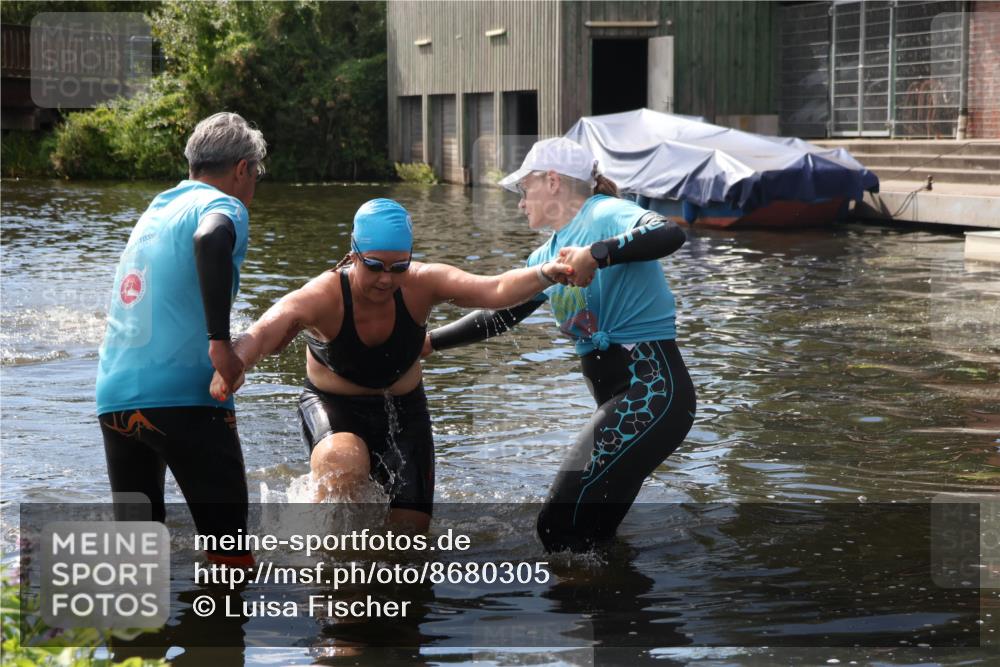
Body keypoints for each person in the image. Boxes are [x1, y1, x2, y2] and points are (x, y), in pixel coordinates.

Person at [210, 198, 573, 533]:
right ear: (353, 255)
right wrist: (233, 362)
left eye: (399, 267)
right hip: (335, 408)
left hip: (405, 412)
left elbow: (494, 289)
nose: (386, 279)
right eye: (374, 266)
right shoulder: (322, 296)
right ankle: (321, 561)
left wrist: (546, 273)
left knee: (409, 538)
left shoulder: (423, 284)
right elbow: (262, 333)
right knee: (344, 465)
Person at [426, 137, 696, 552]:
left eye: (524, 189)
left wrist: (597, 254)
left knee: (557, 527)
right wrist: (429, 343)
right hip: (624, 404)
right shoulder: (545, 257)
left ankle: (581, 589)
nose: (520, 203)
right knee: (589, 537)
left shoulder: (603, 213)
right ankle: (612, 591)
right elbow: (500, 314)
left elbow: (668, 232)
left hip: (653, 395)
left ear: (552, 181)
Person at [96, 112, 265, 567]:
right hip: (184, 396)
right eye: (257, 173)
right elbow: (211, 238)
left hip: (114, 397)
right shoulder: (224, 205)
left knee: (136, 556)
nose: (255, 184)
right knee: (230, 556)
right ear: (242, 169)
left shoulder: (156, 208)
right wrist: (219, 343)